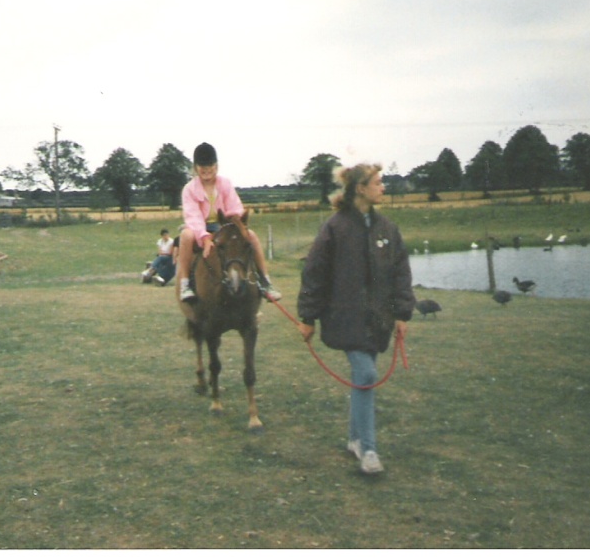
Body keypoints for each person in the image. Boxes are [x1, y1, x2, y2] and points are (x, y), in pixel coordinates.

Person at [296, 163, 415, 475]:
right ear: (360, 188)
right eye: (378, 182)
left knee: (364, 377)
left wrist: (403, 313)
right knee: (365, 374)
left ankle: (354, 439)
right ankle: (370, 450)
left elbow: (401, 271)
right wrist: (308, 317)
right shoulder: (334, 228)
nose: (383, 187)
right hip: (344, 319)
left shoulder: (388, 229)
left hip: (378, 320)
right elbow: (314, 274)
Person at [176, 142, 281, 303]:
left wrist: (239, 226)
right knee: (185, 235)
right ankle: (185, 284)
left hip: (223, 227)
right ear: (196, 168)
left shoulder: (225, 184)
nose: (206, 169)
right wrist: (204, 237)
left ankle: (265, 281)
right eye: (202, 166)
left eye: (210, 165)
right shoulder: (189, 189)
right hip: (199, 229)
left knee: (251, 236)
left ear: (216, 166)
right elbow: (193, 217)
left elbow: (234, 208)